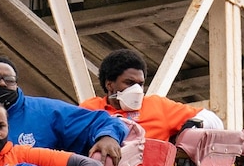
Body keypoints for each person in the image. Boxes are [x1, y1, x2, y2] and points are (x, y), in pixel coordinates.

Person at [0, 57, 125, 163]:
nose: (2, 83)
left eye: (9, 80)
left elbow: (104, 121)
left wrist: (108, 136)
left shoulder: (47, 112)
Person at [80, 48, 223, 141]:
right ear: (109, 84)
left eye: (140, 84)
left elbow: (215, 122)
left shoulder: (157, 106)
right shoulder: (90, 109)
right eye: (129, 83)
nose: (137, 89)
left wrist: (193, 127)